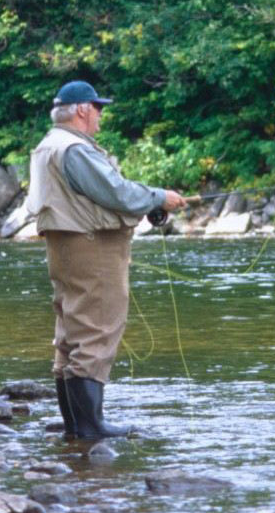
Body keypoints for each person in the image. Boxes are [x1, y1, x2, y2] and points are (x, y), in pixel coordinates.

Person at [26, 80, 187, 439]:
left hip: (64, 246)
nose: (101, 115)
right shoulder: (74, 149)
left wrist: (148, 205)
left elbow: (93, 198)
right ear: (82, 109)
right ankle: (90, 427)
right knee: (97, 330)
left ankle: (76, 427)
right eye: (98, 107)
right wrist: (158, 197)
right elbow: (114, 192)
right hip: (91, 248)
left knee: (70, 333)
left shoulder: (48, 145)